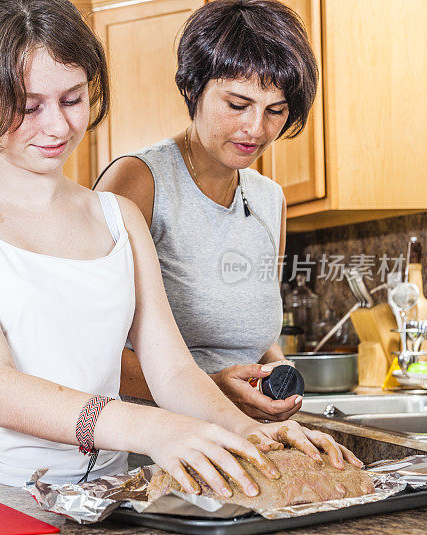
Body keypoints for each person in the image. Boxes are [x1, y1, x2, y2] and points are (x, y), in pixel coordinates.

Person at [0, 0, 359, 495]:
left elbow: (172, 369)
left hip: (101, 494)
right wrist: (156, 429)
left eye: (72, 100)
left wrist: (247, 431)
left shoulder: (116, 217)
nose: (56, 126)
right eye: (29, 106)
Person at [95, 0, 316, 421]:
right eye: (237, 104)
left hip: (242, 433)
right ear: (193, 88)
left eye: (276, 111)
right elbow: (84, 347)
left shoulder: (271, 199)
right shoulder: (138, 181)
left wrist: (275, 370)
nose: (256, 128)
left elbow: (252, 337)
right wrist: (213, 388)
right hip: (152, 437)